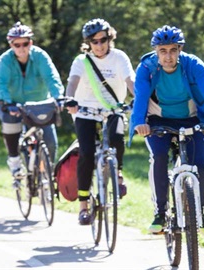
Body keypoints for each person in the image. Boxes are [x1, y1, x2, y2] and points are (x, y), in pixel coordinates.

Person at [130, 25, 204, 237]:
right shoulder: (147, 68)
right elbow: (141, 97)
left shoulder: (193, 65)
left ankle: (199, 213)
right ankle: (160, 213)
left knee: (200, 165)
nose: (168, 56)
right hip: (157, 120)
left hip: (190, 119)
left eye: (173, 50)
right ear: (156, 51)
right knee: (159, 157)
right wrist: (139, 123)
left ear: (180, 49)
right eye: (163, 51)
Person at [64, 18, 135, 225]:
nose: (99, 45)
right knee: (86, 153)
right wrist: (70, 99)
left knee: (116, 138)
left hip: (112, 108)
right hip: (85, 110)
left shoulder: (119, 57)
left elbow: (130, 81)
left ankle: (118, 174)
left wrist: (138, 99)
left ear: (109, 37)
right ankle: (84, 205)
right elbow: (72, 83)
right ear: (88, 43)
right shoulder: (81, 61)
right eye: (94, 41)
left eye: (103, 39)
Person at [0, 21, 64, 181]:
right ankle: (15, 161)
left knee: (50, 142)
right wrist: (7, 102)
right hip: (14, 105)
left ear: (30, 42)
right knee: (11, 125)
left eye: (25, 43)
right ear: (11, 45)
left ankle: (46, 175)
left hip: (39, 104)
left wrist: (58, 97)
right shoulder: (4, 61)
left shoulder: (40, 56)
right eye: (17, 45)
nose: (21, 48)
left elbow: (52, 78)